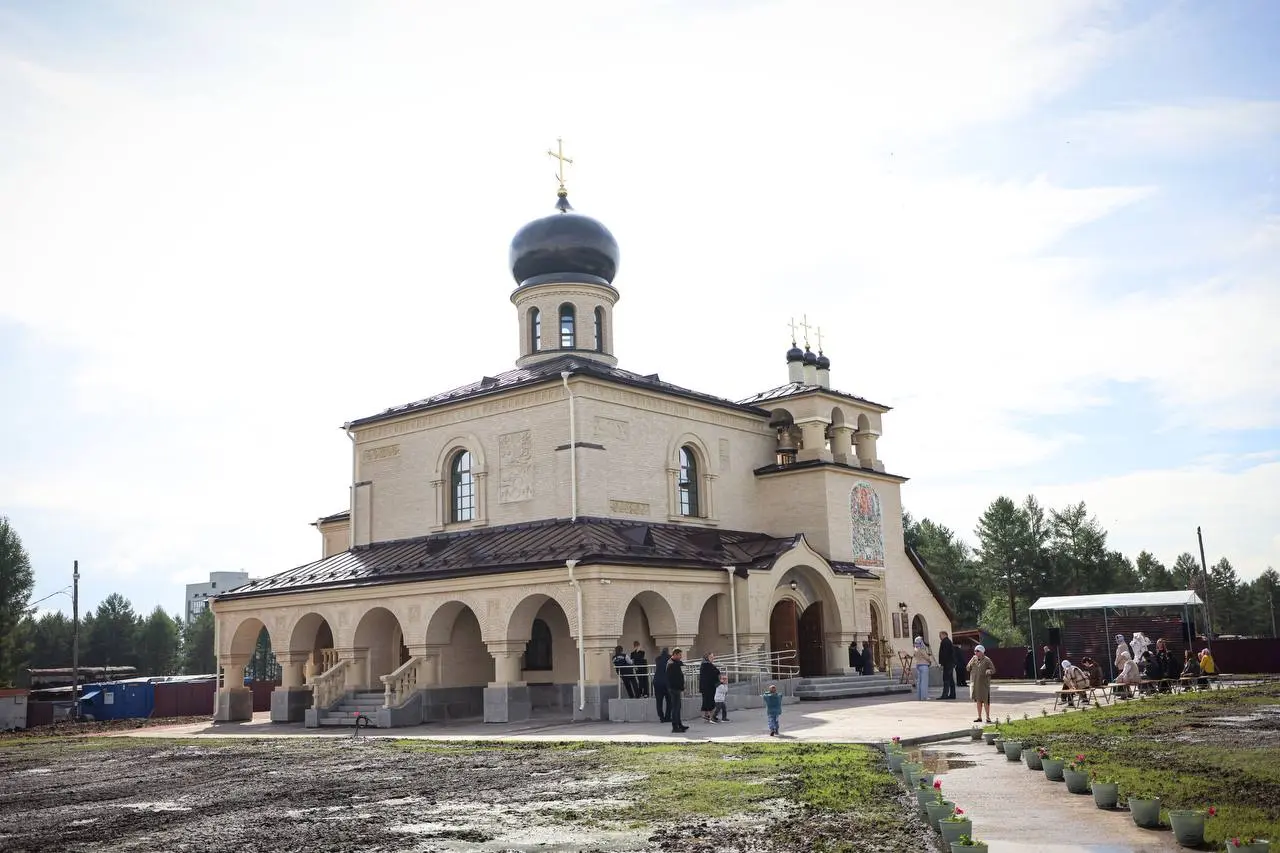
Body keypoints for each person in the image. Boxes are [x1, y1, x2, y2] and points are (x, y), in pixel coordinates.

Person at [966, 644, 996, 723]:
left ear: (982, 652)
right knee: (978, 700)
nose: (976, 652)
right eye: (975, 651)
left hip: (984, 684)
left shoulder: (987, 660)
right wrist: (971, 663)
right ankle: (979, 717)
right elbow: (968, 668)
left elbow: (993, 669)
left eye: (978, 651)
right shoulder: (974, 659)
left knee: (985, 700)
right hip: (975, 683)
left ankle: (988, 717)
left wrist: (989, 671)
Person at [666, 649, 688, 732]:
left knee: (678, 707)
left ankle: (679, 724)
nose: (681, 656)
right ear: (675, 654)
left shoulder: (677, 662)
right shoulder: (671, 663)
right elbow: (673, 678)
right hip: (674, 688)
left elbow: (681, 673)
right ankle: (675, 727)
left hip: (677, 688)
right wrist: (680, 687)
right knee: (675, 708)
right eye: (679, 655)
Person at [699, 652, 720, 723]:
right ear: (707, 658)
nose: (713, 658)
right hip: (709, 686)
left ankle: (706, 715)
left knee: (706, 701)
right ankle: (711, 717)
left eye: (713, 656)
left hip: (704, 686)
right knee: (710, 701)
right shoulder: (708, 665)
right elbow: (716, 672)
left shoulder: (703, 665)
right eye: (711, 657)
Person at [652, 646, 671, 723]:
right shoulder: (670, 658)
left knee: (659, 701)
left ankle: (661, 717)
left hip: (657, 682)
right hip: (667, 682)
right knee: (669, 701)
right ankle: (667, 717)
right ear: (668, 651)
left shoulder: (657, 659)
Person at [937, 631, 955, 700]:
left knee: (946, 679)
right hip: (950, 663)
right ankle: (952, 694)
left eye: (940, 635)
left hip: (947, 664)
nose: (939, 637)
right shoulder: (949, 641)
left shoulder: (945, 642)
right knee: (950, 679)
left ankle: (945, 694)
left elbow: (944, 654)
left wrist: (942, 664)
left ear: (944, 635)